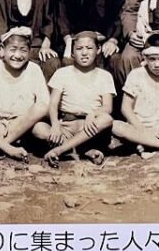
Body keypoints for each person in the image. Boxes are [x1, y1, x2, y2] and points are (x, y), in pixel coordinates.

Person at [0, 28, 51, 162]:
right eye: (12, 49)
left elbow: (45, 104)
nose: (17, 55)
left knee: (40, 112)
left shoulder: (33, 70)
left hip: (24, 126)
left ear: (29, 51)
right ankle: (9, 147)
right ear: (2, 50)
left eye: (23, 50)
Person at [38, 31, 116, 166]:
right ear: (72, 52)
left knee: (106, 119)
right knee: (38, 128)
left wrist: (93, 114)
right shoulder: (62, 73)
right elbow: (53, 104)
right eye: (79, 49)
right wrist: (55, 125)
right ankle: (82, 148)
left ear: (98, 50)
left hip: (89, 127)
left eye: (89, 48)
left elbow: (107, 107)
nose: (84, 53)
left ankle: (61, 149)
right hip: (66, 126)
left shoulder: (104, 76)